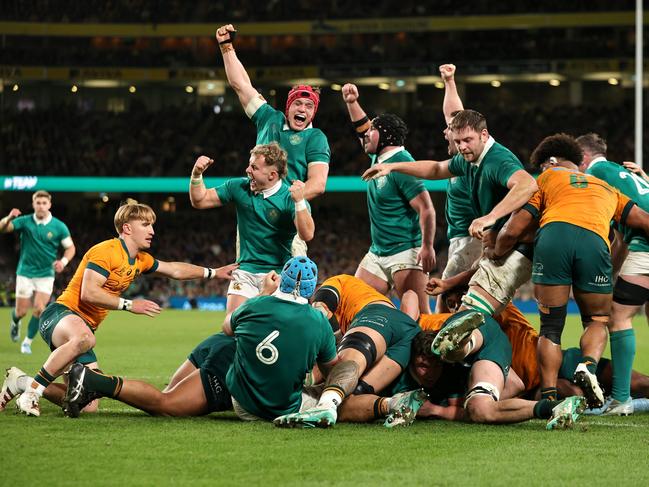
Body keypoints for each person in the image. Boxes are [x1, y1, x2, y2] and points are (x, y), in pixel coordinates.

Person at [1, 200, 237, 417]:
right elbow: (89, 292)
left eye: (152, 225)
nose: (152, 231)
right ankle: (32, 392)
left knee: (89, 403)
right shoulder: (106, 251)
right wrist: (129, 305)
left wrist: (213, 272)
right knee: (84, 338)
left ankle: (21, 382)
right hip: (60, 315)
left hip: (82, 330)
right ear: (127, 228)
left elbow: (174, 269)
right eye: (145, 224)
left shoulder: (140, 259)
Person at [59, 257, 339, 422]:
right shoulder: (319, 324)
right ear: (312, 290)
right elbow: (331, 373)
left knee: (169, 395)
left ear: (283, 279)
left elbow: (227, 329)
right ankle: (94, 381)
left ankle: (90, 381)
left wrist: (264, 294)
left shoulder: (257, 305)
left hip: (225, 353)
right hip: (233, 375)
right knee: (166, 404)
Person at [487, 133, 649, 409]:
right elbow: (644, 220)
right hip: (595, 243)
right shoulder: (605, 187)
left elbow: (513, 228)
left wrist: (496, 250)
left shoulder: (547, 179)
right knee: (597, 320)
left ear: (550, 162)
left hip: (554, 238)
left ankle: (549, 396)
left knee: (550, 328)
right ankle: (588, 364)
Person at [362, 108, 538, 316]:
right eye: (457, 142)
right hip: (498, 242)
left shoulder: (496, 160)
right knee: (462, 304)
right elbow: (436, 169)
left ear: (484, 135)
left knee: (460, 310)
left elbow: (527, 184)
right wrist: (393, 167)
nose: (462, 147)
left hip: (515, 245)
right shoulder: (470, 158)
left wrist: (490, 218)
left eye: (467, 140)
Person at [215, 24, 330, 256]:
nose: (303, 109)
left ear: (314, 113)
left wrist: (283, 199)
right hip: (254, 212)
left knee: (292, 283)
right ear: (288, 106)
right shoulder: (269, 118)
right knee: (249, 277)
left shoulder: (315, 138)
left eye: (309, 106)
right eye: (298, 103)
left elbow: (317, 185)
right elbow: (241, 85)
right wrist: (226, 46)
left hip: (288, 214)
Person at [273, 274, 422, 428]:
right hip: (406, 336)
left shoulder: (336, 282)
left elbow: (320, 307)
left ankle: (323, 406)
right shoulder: (346, 326)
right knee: (345, 397)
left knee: (346, 365)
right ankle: (394, 404)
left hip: (376, 314)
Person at [189, 143, 315, 322]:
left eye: (254, 167)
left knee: (275, 329)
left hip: (278, 274)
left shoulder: (290, 198)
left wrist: (300, 201)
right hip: (245, 271)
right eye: (250, 164)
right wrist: (196, 174)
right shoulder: (239, 187)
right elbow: (200, 201)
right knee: (233, 326)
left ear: (272, 175)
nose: (247, 170)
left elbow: (307, 234)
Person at [341, 83, 436, 313]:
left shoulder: (402, 163)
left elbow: (426, 209)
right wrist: (352, 102)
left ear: (385, 135)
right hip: (377, 252)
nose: (365, 136)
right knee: (352, 305)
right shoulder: (379, 159)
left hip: (405, 252)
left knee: (420, 318)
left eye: (371, 130)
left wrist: (427, 247)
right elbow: (362, 128)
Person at [576, 133, 649, 415]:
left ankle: (620, 399)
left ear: (583, 159)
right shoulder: (621, 174)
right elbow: (621, 239)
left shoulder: (596, 175)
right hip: (639, 242)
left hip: (646, 244)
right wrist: (609, 275)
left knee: (618, 316)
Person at [422, 309, 586, 428]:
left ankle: (461, 343)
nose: (427, 372)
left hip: (456, 328)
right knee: (479, 406)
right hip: (489, 338)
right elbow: (516, 384)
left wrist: (435, 410)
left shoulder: (413, 342)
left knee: (444, 353)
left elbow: (410, 297)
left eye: (424, 366)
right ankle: (557, 406)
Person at [0, 190, 76, 354]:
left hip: (46, 274)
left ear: (49, 205)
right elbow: (3, 228)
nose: (41, 206)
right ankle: (15, 322)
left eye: (44, 203)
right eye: (38, 203)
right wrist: (9, 218)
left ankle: (27, 342)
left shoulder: (59, 226)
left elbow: (70, 248)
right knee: (20, 312)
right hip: (25, 272)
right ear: (33, 204)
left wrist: (63, 262)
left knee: (40, 308)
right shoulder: (25, 221)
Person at [436, 65, 481, 312]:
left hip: (471, 239)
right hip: (460, 238)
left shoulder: (468, 160)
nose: (446, 133)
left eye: (452, 132)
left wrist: (450, 82)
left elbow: (456, 116)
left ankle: (434, 342)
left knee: (444, 292)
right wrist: (449, 81)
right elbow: (453, 117)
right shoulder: (458, 162)